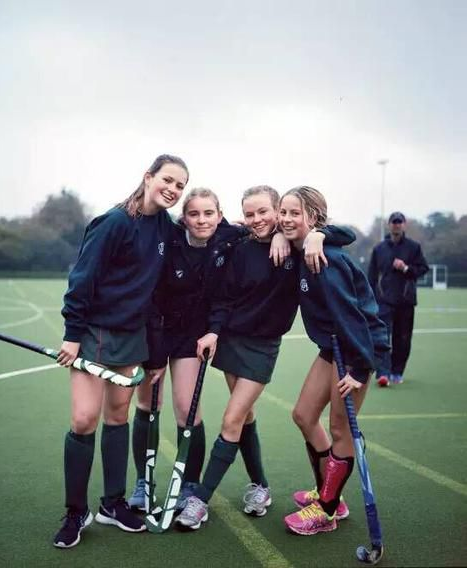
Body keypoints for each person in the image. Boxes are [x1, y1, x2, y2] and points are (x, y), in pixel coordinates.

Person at [175, 185, 356, 531]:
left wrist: (317, 235)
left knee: (231, 419)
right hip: (231, 341)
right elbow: (224, 298)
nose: (256, 219)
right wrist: (214, 331)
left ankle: (199, 500)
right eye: (250, 213)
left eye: (263, 212)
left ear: (277, 211)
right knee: (245, 415)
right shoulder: (239, 245)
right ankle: (262, 486)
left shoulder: (296, 245)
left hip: (262, 347)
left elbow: (344, 233)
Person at [53, 154, 189, 548]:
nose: (173, 190)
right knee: (84, 419)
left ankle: (112, 504)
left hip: (133, 335)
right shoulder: (113, 222)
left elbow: (209, 235)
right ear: (148, 177)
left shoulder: (165, 227)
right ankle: (75, 512)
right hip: (94, 333)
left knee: (117, 416)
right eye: (168, 180)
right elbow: (82, 278)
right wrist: (72, 334)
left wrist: (155, 354)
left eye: (180, 186)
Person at [129, 187, 287, 512]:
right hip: (154, 331)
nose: (201, 220)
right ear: (183, 218)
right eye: (194, 214)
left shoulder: (229, 238)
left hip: (192, 336)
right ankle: (143, 482)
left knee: (186, 408)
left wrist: (283, 235)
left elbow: (269, 228)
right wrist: (154, 352)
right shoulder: (170, 238)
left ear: (220, 215)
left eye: (208, 213)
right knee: (147, 403)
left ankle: (190, 484)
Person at [279, 186, 388, 536]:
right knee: (303, 415)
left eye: (294, 213)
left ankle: (327, 510)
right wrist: (286, 235)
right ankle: (329, 492)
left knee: (340, 429)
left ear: (313, 217)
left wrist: (360, 369)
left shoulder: (326, 260)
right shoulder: (302, 249)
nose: (286, 219)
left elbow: (352, 317)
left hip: (356, 351)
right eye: (283, 212)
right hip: (332, 347)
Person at [368, 212, 429, 386]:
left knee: (402, 339)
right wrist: (371, 299)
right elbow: (371, 276)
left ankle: (397, 372)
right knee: (382, 338)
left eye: (399, 222)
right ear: (389, 225)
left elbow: (423, 268)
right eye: (394, 222)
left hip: (405, 301)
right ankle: (383, 373)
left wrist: (406, 268)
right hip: (384, 301)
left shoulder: (413, 247)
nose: (396, 225)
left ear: (404, 225)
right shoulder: (379, 249)